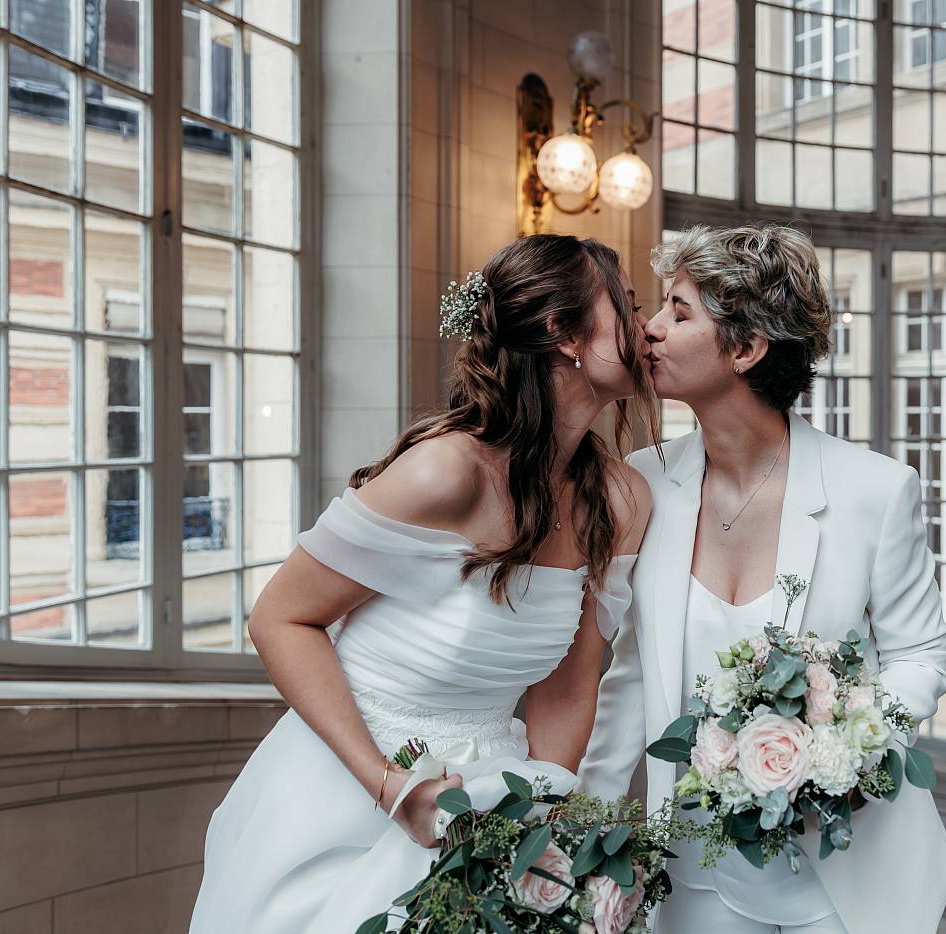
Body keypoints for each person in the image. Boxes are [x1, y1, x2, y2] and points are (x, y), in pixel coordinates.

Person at [189, 233, 656, 934]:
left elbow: (569, 683)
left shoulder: (620, 501)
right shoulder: (445, 474)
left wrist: (539, 829)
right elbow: (280, 620)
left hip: (496, 790)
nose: (646, 328)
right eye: (629, 306)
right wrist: (391, 787)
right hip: (351, 784)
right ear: (563, 333)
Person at [580, 224, 946, 934]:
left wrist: (844, 753)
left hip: (844, 876)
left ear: (747, 349)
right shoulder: (641, 486)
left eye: (679, 312)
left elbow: (921, 656)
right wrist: (587, 836)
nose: (649, 330)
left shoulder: (875, 490)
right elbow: (627, 683)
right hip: (693, 871)